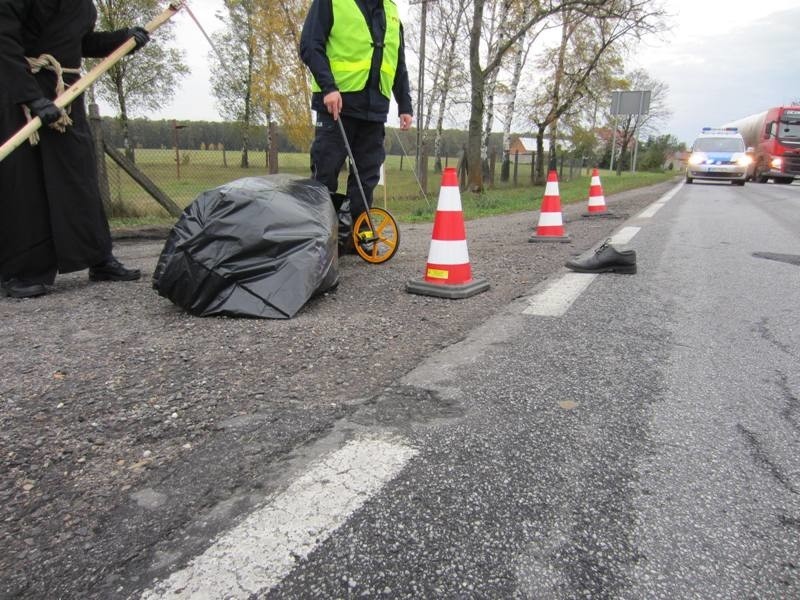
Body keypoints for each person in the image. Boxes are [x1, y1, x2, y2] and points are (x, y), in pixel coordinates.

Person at [0, 0, 150, 298]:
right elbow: (3, 41)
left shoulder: (82, 4)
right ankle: (23, 269)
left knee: (78, 177)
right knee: (25, 183)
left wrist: (124, 39)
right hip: (19, 95)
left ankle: (98, 257)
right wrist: (30, 97)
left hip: (65, 93)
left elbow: (80, 42)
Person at [299, 0, 413, 252]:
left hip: (374, 108)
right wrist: (328, 87)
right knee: (325, 171)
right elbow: (309, 45)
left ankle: (356, 238)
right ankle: (319, 241)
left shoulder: (392, 12)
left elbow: (397, 62)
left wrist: (404, 104)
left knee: (367, 175)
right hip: (336, 104)